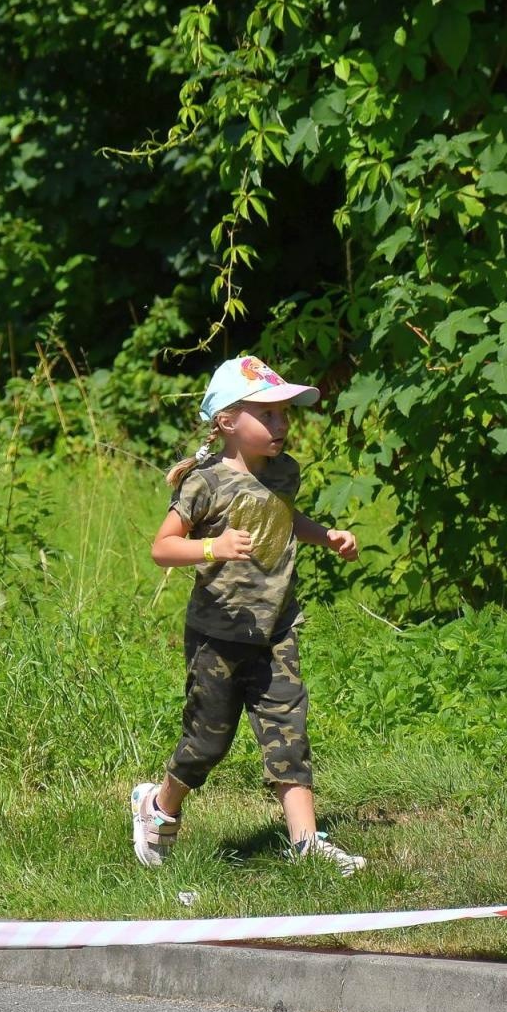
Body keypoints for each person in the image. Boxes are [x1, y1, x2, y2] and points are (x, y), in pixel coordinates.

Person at [130, 354, 366, 873]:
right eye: (270, 415)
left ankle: (306, 844)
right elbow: (163, 548)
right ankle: (158, 809)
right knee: (207, 739)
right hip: (218, 635)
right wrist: (213, 548)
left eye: (286, 415)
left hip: (275, 628)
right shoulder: (204, 483)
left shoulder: (284, 472)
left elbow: (284, 516)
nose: (282, 425)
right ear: (228, 422)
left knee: (288, 729)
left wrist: (324, 536)